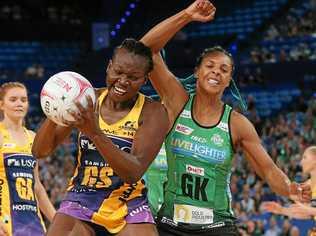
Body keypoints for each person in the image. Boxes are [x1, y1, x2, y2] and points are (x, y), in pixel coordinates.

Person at [140, 0, 310, 235]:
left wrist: (290, 188)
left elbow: (268, 169)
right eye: (210, 66)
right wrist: (187, 15)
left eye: (223, 69)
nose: (216, 72)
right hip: (171, 224)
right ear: (197, 72)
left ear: (229, 80)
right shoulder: (177, 102)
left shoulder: (237, 124)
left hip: (217, 226)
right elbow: (145, 49)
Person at [32, 39, 169, 236]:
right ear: (109, 67)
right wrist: (56, 109)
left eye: (133, 77)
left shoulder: (153, 112)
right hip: (80, 198)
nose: (123, 81)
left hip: (128, 202)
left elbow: (133, 172)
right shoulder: (86, 99)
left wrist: (95, 133)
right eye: (119, 72)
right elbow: (39, 151)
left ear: (145, 80)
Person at [0, 82, 56, 236]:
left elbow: (37, 187)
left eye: (23, 100)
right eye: (13, 99)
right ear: (1, 104)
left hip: (33, 223)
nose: (19, 103)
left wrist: (57, 221)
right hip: (6, 221)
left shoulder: (33, 137)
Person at [262, 146, 316, 220]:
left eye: (305, 158)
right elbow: (308, 215)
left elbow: (309, 211)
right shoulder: (309, 183)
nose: (301, 162)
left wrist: (308, 209)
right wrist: (282, 210)